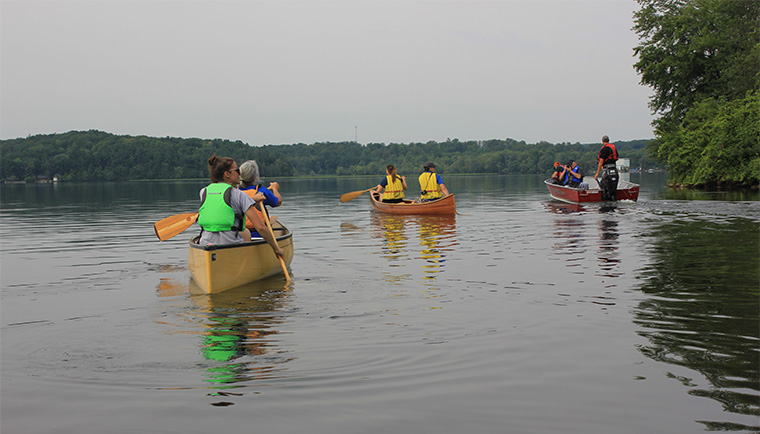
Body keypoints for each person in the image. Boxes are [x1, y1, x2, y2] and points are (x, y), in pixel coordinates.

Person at [196, 156, 284, 259]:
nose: (240, 174)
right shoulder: (238, 195)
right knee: (245, 233)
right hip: (230, 244)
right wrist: (276, 248)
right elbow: (260, 227)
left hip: (205, 243)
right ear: (227, 174)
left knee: (245, 232)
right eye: (237, 170)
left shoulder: (203, 192)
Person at [238, 160, 282, 238]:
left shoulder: (234, 191)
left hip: (239, 235)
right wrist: (275, 189)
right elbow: (278, 202)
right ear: (255, 177)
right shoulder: (261, 191)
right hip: (259, 235)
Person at [593, 135, 619, 200]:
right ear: (608, 140)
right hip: (614, 168)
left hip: (606, 169)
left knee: (603, 185)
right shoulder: (613, 148)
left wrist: (597, 173)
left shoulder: (604, 149)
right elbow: (616, 158)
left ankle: (604, 198)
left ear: (602, 141)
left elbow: (601, 161)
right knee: (613, 188)